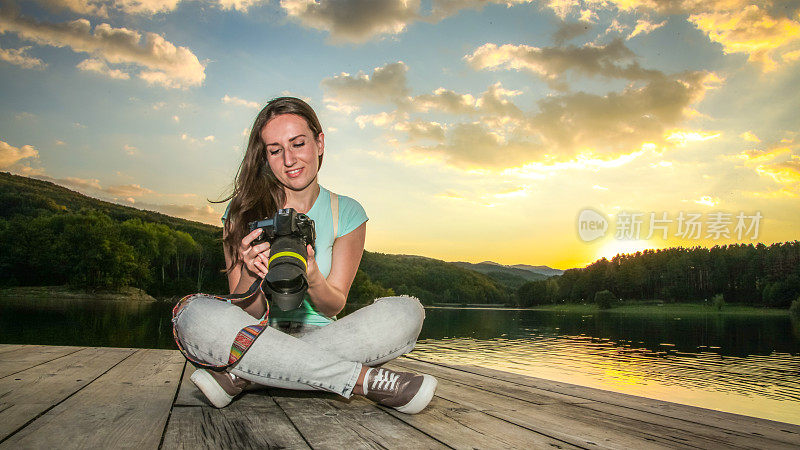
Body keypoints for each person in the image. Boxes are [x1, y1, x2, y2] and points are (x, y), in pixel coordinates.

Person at [172, 96, 437, 414]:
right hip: (257, 332)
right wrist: (249, 270)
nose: (289, 160)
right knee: (193, 313)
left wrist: (311, 274)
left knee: (406, 311)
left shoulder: (347, 212)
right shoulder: (242, 210)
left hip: (329, 335)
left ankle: (243, 375)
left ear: (320, 142)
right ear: (265, 157)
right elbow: (247, 310)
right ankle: (363, 381)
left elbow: (333, 304)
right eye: (275, 150)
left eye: (298, 143)